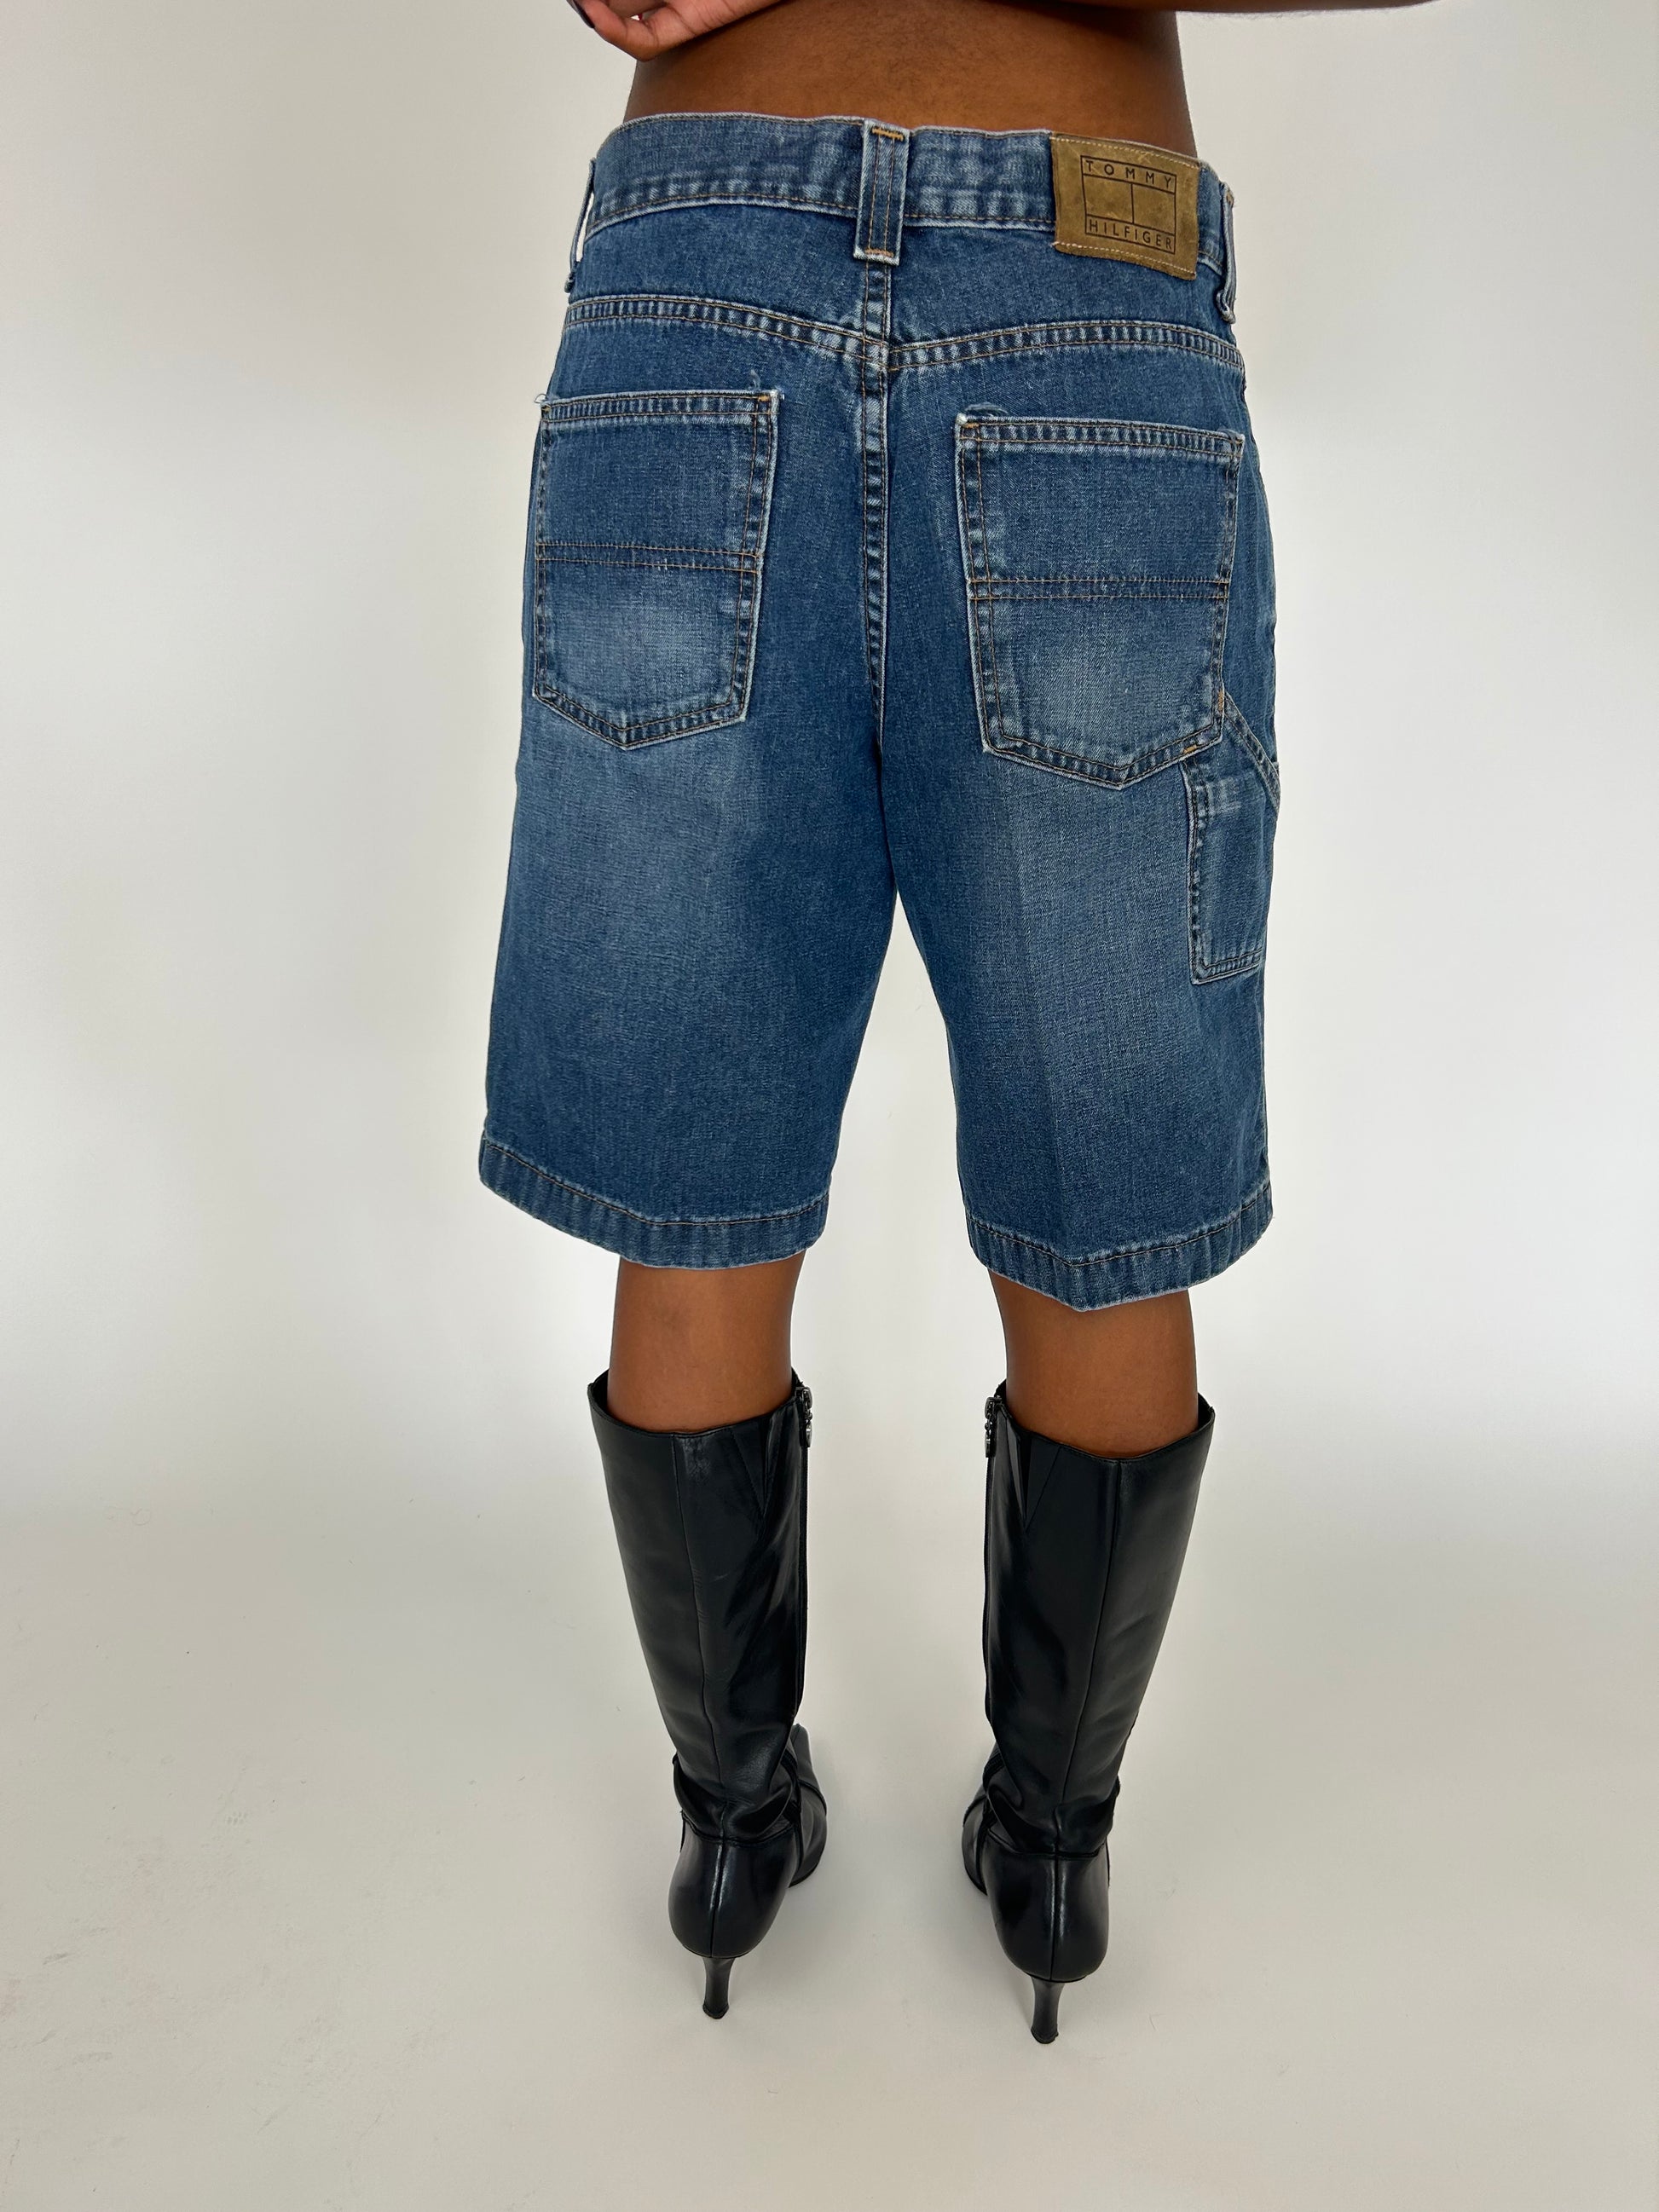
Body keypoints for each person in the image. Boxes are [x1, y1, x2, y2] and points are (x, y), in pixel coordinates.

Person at [481, 0, 1431, 2042]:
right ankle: (1053, 1845)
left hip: (700, 246)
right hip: (1078, 257)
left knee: (694, 1160)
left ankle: (732, 1821)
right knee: (1100, 1180)